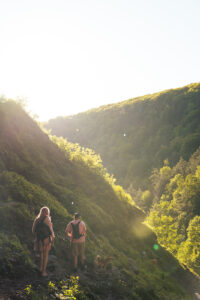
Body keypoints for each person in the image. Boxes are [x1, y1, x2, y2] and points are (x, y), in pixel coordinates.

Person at [32, 206, 55, 277]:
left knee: (41, 255)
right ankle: (43, 272)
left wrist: (37, 238)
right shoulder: (47, 218)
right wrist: (53, 238)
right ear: (47, 212)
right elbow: (51, 230)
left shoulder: (37, 219)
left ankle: (40, 268)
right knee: (46, 255)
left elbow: (33, 230)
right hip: (46, 239)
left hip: (39, 239)